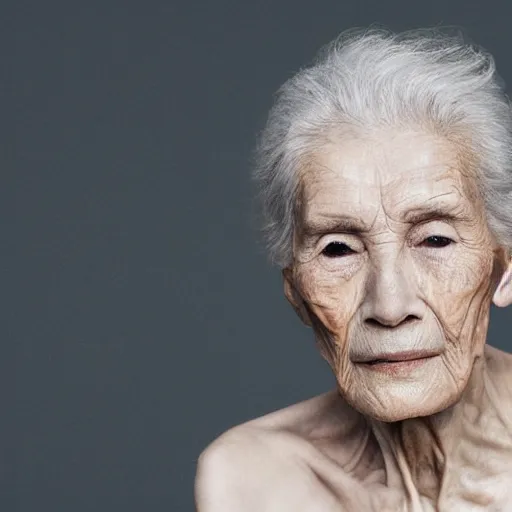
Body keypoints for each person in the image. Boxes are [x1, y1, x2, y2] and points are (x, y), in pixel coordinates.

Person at [194, 27, 512, 511]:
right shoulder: (256, 481)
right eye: (338, 249)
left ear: (503, 266)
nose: (389, 307)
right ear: (296, 292)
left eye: (435, 239)